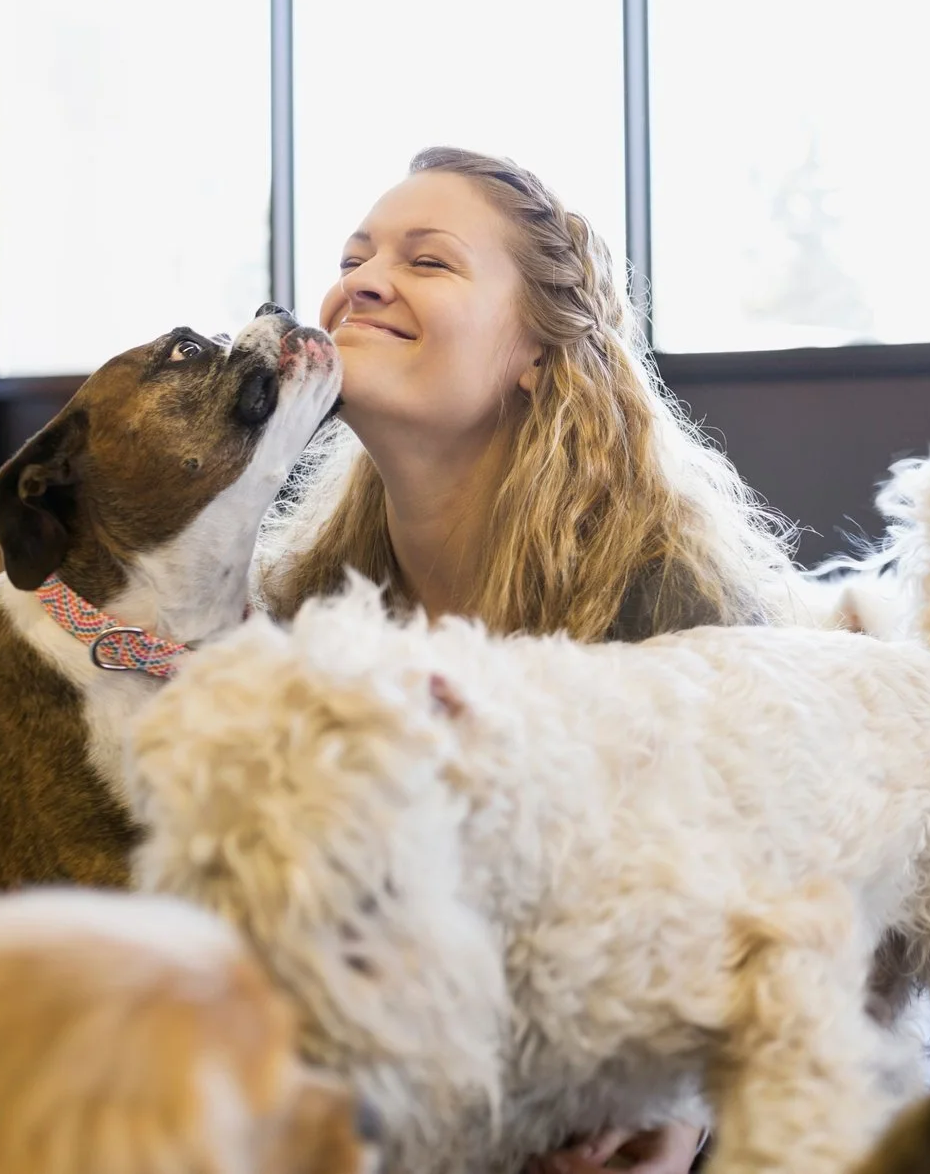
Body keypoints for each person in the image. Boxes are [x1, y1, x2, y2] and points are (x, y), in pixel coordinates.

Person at [259, 146, 799, 1174]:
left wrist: (675, 1107)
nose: (361, 280)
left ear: (537, 354)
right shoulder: (302, 600)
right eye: (354, 254)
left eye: (428, 261)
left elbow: (765, 902)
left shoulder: (668, 597)